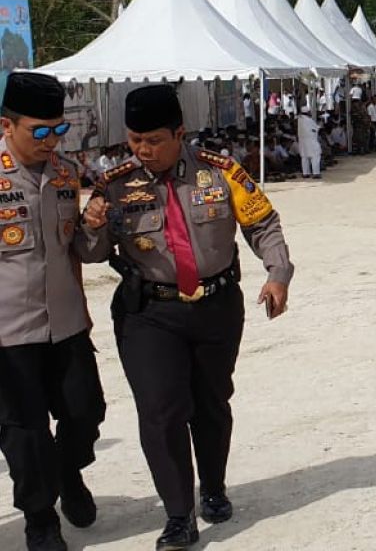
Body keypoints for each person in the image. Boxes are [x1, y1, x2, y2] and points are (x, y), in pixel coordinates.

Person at [79, 84, 293, 550]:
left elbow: (262, 223)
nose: (142, 150)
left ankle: (212, 489)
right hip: (150, 313)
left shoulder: (220, 173)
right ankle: (178, 515)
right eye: (135, 139)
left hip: (216, 307)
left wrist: (278, 273)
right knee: (160, 413)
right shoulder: (115, 183)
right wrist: (92, 226)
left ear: (180, 132)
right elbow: (91, 253)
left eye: (153, 139)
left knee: (211, 405)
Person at [0, 73, 106, 551]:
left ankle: (70, 472)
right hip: (9, 333)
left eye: (57, 131)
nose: (50, 141)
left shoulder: (65, 175)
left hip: (66, 324)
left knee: (86, 411)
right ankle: (40, 517)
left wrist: (92, 225)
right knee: (26, 434)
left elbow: (77, 248)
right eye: (39, 131)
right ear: (8, 125)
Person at [296, 106, 321, 180]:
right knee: (315, 156)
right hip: (311, 141)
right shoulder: (309, 120)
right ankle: (316, 173)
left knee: (304, 158)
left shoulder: (299, 120)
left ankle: (305, 173)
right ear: (308, 112)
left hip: (302, 142)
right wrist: (319, 126)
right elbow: (315, 128)